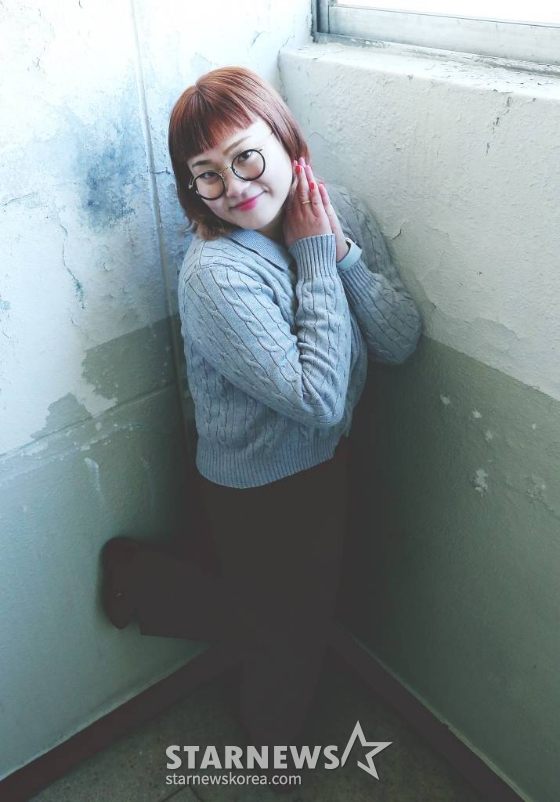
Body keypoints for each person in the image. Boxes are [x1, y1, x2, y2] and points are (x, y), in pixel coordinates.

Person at [100, 66, 422, 792]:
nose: (235, 186)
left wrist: (340, 252)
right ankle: (274, 759)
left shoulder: (341, 210)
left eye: (247, 156)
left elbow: (401, 340)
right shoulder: (216, 275)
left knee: (283, 614)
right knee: (285, 641)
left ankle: (143, 581)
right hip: (259, 486)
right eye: (207, 175)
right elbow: (319, 399)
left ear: (286, 141)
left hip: (327, 459)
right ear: (192, 189)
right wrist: (314, 258)